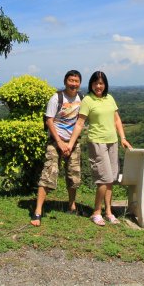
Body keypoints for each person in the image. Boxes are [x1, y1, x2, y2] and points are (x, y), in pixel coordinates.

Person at [68, 70, 132, 226]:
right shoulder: (88, 101)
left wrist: (123, 137)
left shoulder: (110, 98)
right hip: (97, 142)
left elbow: (117, 119)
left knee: (111, 179)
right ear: (91, 84)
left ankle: (108, 212)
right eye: (96, 83)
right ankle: (96, 212)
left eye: (101, 83)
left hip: (113, 142)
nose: (98, 86)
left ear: (105, 85)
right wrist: (70, 143)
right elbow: (80, 123)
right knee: (104, 179)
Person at [30, 70, 84, 226]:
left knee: (73, 175)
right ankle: (38, 211)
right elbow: (49, 121)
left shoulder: (82, 98)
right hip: (56, 141)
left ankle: (71, 205)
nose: (73, 83)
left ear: (80, 83)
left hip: (73, 142)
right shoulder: (56, 98)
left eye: (76, 81)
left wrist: (70, 143)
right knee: (48, 173)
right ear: (65, 81)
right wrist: (60, 142)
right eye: (71, 80)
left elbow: (80, 122)